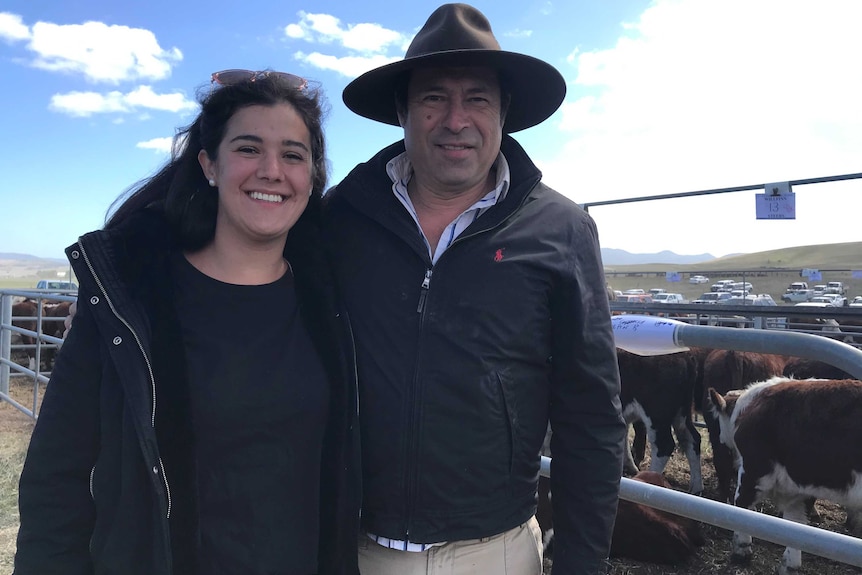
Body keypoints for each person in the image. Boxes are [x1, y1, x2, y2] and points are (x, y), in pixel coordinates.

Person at [14, 70, 360, 575]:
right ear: (209, 165)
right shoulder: (130, 306)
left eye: (293, 154)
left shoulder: (333, 303)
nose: (271, 170)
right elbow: (56, 477)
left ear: (312, 176)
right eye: (247, 148)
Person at [323, 4, 626, 574]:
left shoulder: (561, 230)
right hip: (353, 547)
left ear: (504, 112)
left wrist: (582, 563)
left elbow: (591, 415)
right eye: (434, 97)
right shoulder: (338, 221)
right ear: (402, 111)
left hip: (498, 550)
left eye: (478, 98)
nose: (456, 119)